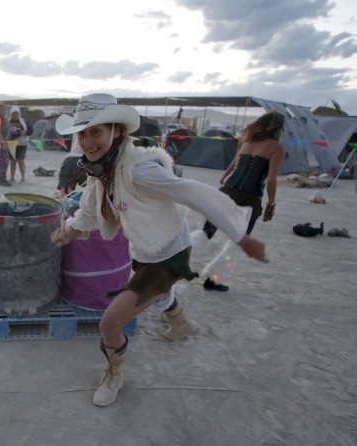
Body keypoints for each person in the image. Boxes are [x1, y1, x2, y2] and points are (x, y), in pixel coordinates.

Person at [50, 93, 268, 407]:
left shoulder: (140, 170)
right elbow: (87, 213)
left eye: (95, 131)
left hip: (168, 254)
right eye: (82, 133)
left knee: (110, 322)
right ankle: (181, 323)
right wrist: (67, 232)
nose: (87, 141)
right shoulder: (102, 170)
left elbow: (192, 192)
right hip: (145, 250)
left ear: (117, 131)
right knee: (154, 295)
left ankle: (114, 373)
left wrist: (241, 235)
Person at [200, 111, 286, 292]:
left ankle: (169, 266)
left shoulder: (248, 142)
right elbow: (271, 179)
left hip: (227, 191)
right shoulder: (277, 148)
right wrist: (271, 204)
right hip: (250, 198)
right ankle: (213, 280)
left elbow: (234, 164)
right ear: (278, 128)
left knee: (205, 233)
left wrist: (224, 179)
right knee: (238, 242)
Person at [8, 106, 31, 183]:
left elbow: (31, 130)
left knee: (20, 160)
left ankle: (23, 177)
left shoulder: (23, 122)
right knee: (12, 161)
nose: (15, 115)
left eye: (16, 114)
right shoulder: (8, 122)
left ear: (19, 114)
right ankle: (12, 177)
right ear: (11, 114)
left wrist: (25, 132)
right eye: (13, 114)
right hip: (11, 144)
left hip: (22, 144)